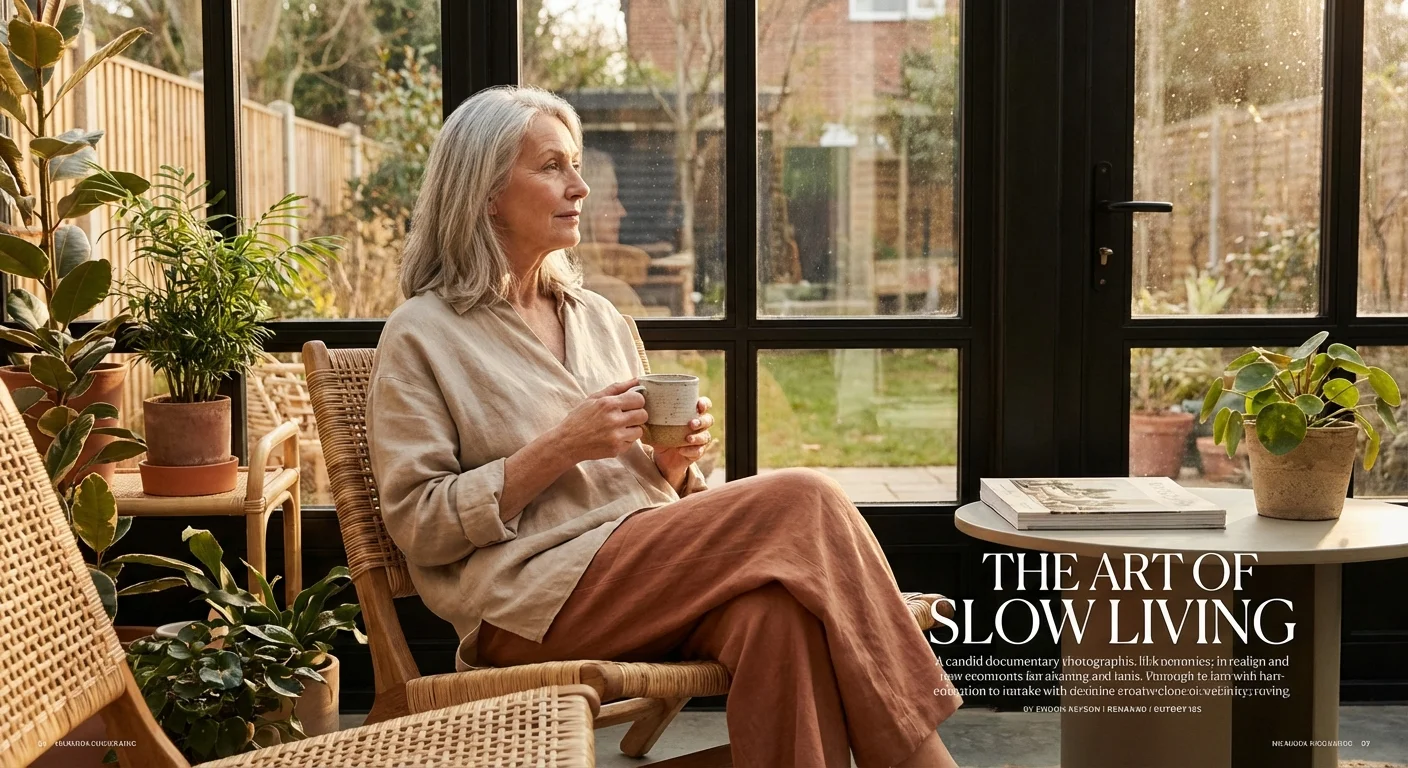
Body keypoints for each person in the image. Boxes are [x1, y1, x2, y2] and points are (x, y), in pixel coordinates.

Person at [365, 85, 963, 768]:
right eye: (553, 167)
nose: (580, 187)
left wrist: (675, 465)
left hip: (645, 571)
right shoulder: (422, 335)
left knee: (779, 619)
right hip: (530, 601)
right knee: (805, 500)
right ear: (486, 192)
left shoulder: (596, 316)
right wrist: (561, 448)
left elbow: (653, 489)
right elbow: (419, 524)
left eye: (577, 165)